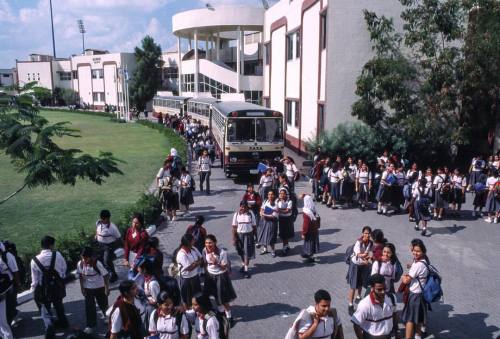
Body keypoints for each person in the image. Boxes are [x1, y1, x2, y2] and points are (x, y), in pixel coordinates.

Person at [30, 235, 68, 336]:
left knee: (45, 310)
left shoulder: (34, 260)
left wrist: (34, 291)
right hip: (56, 286)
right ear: (51, 245)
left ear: (42, 246)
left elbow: (35, 280)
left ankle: (50, 329)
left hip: (43, 289)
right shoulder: (58, 255)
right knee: (59, 305)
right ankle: (63, 322)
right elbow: (64, 268)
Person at [202, 234, 237, 327]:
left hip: (220, 276)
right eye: (206, 243)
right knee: (213, 295)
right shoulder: (204, 250)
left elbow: (224, 267)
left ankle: (229, 317)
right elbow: (205, 264)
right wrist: (207, 272)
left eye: (210, 243)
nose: (208, 245)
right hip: (210, 276)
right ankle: (220, 312)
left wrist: (216, 263)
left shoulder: (222, 253)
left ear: (215, 243)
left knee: (223, 298)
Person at [352, 274, 398, 339]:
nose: (383, 292)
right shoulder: (364, 304)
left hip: (388, 336)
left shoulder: (392, 298)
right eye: (379, 289)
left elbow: (394, 314)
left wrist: (397, 331)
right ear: (372, 288)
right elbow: (356, 324)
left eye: (384, 288)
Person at [76, 247, 109, 334]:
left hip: (100, 287)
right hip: (88, 288)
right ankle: (90, 325)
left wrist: (107, 288)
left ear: (91, 257)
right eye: (82, 257)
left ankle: (106, 316)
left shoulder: (97, 264)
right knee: (89, 307)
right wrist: (82, 288)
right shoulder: (80, 264)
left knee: (103, 303)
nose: (84, 259)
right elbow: (80, 276)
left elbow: (105, 275)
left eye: (86, 258)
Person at [401, 240, 430, 339]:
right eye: (414, 250)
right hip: (421, 294)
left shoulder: (418, 265)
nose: (415, 253)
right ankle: (418, 336)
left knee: (410, 319)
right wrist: (412, 266)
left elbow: (406, 281)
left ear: (423, 251)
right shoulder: (424, 260)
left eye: (418, 251)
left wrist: (403, 277)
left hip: (414, 295)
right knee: (419, 317)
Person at [347, 226, 373, 316]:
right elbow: (359, 254)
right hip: (355, 264)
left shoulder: (370, 243)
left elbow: (372, 252)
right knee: (353, 285)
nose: (367, 235)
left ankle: (358, 296)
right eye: (365, 233)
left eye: (369, 233)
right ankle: (350, 305)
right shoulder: (359, 242)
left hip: (363, 265)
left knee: (361, 282)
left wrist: (372, 257)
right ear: (362, 234)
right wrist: (366, 257)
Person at [176, 234, 203, 308]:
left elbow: (201, 259)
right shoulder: (181, 254)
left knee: (198, 296)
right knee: (187, 299)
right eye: (192, 240)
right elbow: (189, 268)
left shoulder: (193, 249)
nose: (194, 241)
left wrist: (195, 264)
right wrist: (197, 262)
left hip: (195, 276)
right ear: (188, 243)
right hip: (186, 279)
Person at [232, 201, 257, 279]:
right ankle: (244, 265)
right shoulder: (236, 215)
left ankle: (246, 270)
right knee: (241, 252)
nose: (243, 208)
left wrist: (256, 237)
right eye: (242, 206)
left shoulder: (250, 214)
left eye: (245, 207)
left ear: (247, 207)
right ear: (240, 207)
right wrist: (234, 238)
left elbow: (254, 226)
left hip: (248, 235)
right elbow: (234, 228)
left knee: (247, 252)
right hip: (239, 236)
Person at [95, 209, 120, 283]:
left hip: (108, 246)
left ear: (107, 218)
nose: (101, 220)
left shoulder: (112, 227)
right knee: (101, 260)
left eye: (103, 219)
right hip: (100, 245)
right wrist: (96, 235)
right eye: (101, 218)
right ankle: (106, 273)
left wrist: (113, 248)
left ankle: (114, 274)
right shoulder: (98, 223)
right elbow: (97, 229)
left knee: (107, 261)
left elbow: (118, 238)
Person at [0, 241, 20, 329]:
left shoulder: (7, 256)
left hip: (10, 284)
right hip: (3, 287)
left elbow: (15, 271)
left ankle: (12, 320)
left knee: (10, 304)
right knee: (7, 306)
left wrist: (18, 284)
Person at [258, 190, 279, 257]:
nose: (270, 196)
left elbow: (274, 216)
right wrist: (261, 213)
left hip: (272, 222)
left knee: (271, 236)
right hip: (264, 221)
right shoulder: (265, 201)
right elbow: (261, 209)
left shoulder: (276, 204)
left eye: (272, 194)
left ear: (274, 195)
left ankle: (273, 250)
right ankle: (265, 249)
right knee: (264, 235)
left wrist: (264, 215)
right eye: (269, 194)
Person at [300, 194, 320, 264]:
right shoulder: (313, 209)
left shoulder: (306, 211)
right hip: (314, 230)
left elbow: (306, 224)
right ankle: (311, 255)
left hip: (309, 231)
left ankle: (309, 256)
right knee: (313, 243)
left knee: (308, 243)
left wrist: (303, 233)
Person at [277, 188, 294, 255]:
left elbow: (288, 211)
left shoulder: (289, 201)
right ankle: (286, 245)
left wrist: (279, 210)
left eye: (283, 193)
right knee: (282, 233)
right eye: (280, 193)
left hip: (287, 219)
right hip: (281, 219)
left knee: (285, 234)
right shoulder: (278, 201)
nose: (282, 195)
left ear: (286, 194)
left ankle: (285, 247)